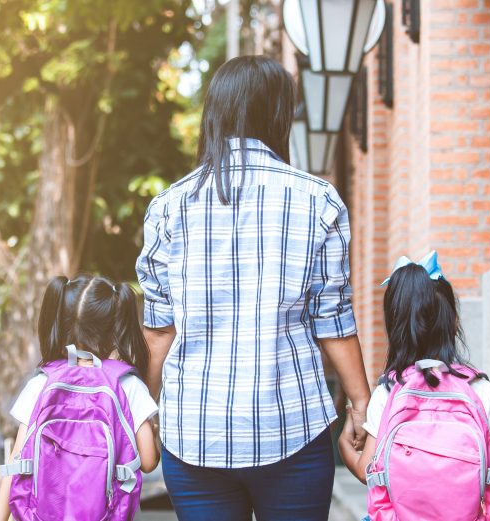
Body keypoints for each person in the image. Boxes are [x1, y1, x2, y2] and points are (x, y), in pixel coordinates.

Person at [136, 55, 370, 520]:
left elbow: (159, 331)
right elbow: (332, 319)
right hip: (293, 426)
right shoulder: (318, 200)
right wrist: (361, 403)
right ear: (280, 116)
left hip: (194, 432)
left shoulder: (169, 207)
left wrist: (145, 410)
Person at [337, 253, 490, 520]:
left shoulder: (387, 392)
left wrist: (343, 445)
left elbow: (368, 471)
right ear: (453, 323)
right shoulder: (478, 389)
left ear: (395, 327)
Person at [0, 275, 160, 521]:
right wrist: (153, 433)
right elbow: (147, 462)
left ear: (61, 323)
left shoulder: (42, 383)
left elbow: (17, 460)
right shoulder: (127, 385)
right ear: (115, 326)